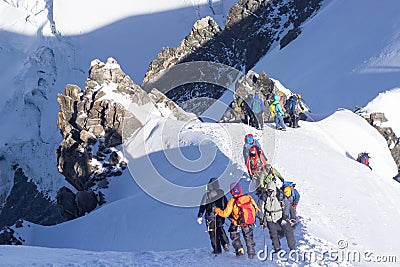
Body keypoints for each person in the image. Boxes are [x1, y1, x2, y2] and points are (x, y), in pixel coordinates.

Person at [214, 183, 260, 259]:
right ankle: (251, 253)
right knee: (248, 238)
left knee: (234, 235)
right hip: (247, 222)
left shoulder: (232, 201)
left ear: (232, 192)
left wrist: (217, 210)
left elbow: (225, 214)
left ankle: (239, 250)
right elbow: (256, 209)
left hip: (237, 222)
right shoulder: (248, 197)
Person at [260, 182, 296, 252]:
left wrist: (285, 217)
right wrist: (262, 219)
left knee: (289, 230)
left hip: (280, 216)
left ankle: (292, 246)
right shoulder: (264, 196)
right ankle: (277, 248)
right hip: (269, 217)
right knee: (273, 233)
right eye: (269, 190)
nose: (270, 191)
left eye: (271, 190)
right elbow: (260, 208)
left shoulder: (280, 195)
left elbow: (287, 206)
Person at [197, 178, 230, 254]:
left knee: (212, 233)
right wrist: (229, 215)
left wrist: (200, 215)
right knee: (220, 229)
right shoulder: (221, 193)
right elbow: (226, 204)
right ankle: (225, 244)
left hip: (210, 217)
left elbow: (202, 205)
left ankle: (217, 249)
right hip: (220, 215)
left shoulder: (207, 195)